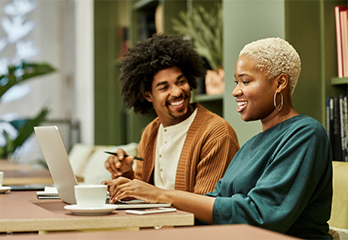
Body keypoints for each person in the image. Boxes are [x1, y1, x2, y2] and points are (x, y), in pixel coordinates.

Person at [103, 37, 333, 240]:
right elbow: (213, 202)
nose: (235, 91)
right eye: (236, 82)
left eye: (246, 81)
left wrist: (160, 194)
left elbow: (261, 215)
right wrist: (135, 189)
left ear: (280, 83)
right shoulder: (252, 145)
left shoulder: (305, 134)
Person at [104, 34, 240, 195]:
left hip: (187, 221)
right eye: (164, 88)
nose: (176, 92)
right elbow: (141, 194)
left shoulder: (216, 133)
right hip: (155, 220)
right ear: (148, 95)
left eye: (181, 82)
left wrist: (156, 196)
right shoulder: (151, 132)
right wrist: (125, 173)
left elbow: (207, 205)